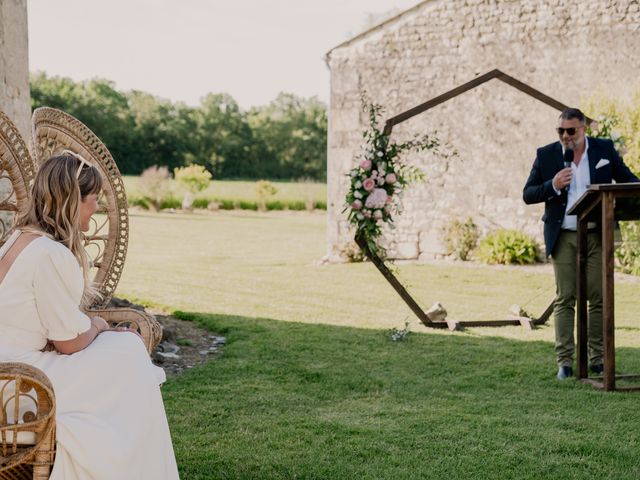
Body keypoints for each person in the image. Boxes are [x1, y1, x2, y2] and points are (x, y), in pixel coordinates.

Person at [0, 154, 180, 479]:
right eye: (93, 199)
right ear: (72, 201)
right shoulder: (49, 254)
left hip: (10, 369)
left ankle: (127, 451)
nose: (95, 207)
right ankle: (134, 462)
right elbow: (69, 342)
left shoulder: (17, 239)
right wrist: (99, 325)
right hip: (23, 381)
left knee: (124, 352)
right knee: (129, 355)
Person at [523, 108, 639, 380]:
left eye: (571, 130)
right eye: (560, 131)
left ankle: (598, 360)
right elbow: (527, 194)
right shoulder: (546, 154)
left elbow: (627, 180)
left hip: (598, 234)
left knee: (598, 298)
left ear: (584, 129)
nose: (565, 136)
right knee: (565, 298)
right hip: (564, 235)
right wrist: (552, 184)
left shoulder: (604, 150)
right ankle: (564, 362)